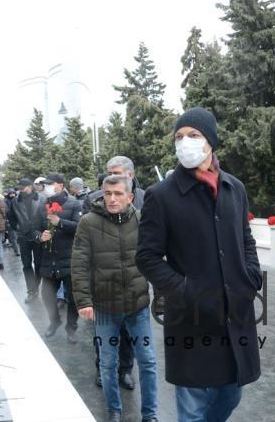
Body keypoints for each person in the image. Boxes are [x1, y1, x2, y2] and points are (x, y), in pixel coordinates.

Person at [136, 107, 262, 421]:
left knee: (231, 394)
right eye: (179, 137)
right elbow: (147, 256)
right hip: (191, 321)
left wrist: (251, 276)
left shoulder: (235, 188)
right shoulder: (161, 195)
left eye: (193, 135)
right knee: (191, 407)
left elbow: (245, 236)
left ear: (211, 142)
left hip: (235, 314)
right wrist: (187, 292)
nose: (185, 142)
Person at [72, 174, 159, 422]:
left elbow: (155, 260)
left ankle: (150, 414)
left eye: (118, 193)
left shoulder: (143, 220)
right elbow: (79, 264)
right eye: (107, 193)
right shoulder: (88, 223)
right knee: (108, 364)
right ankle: (114, 409)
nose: (112, 198)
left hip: (137, 306)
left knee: (148, 362)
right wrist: (84, 301)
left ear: (130, 197)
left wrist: (164, 295)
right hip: (105, 308)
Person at [33, 173, 81, 342]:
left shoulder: (74, 203)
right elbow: (34, 229)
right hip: (48, 259)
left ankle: (71, 327)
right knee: (47, 295)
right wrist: (40, 237)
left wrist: (60, 222)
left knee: (73, 297)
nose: (46, 187)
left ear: (60, 185)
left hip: (69, 258)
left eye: (50, 184)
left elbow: (80, 228)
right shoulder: (42, 205)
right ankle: (54, 321)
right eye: (45, 185)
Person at [12, 178, 46, 303]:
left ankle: (36, 288)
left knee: (38, 264)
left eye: (23, 187)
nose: (21, 189)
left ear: (30, 186)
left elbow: (45, 215)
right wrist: (17, 228)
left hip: (38, 235)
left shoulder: (41, 198)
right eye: (19, 187)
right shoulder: (16, 200)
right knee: (26, 265)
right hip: (23, 236)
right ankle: (31, 291)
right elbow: (11, 217)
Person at [4, 189, 20, 256]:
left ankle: (18, 250)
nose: (12, 195)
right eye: (11, 193)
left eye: (13, 193)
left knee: (17, 237)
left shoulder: (18, 200)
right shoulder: (6, 201)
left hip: (18, 221)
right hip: (11, 221)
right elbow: (6, 211)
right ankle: (17, 251)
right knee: (14, 238)